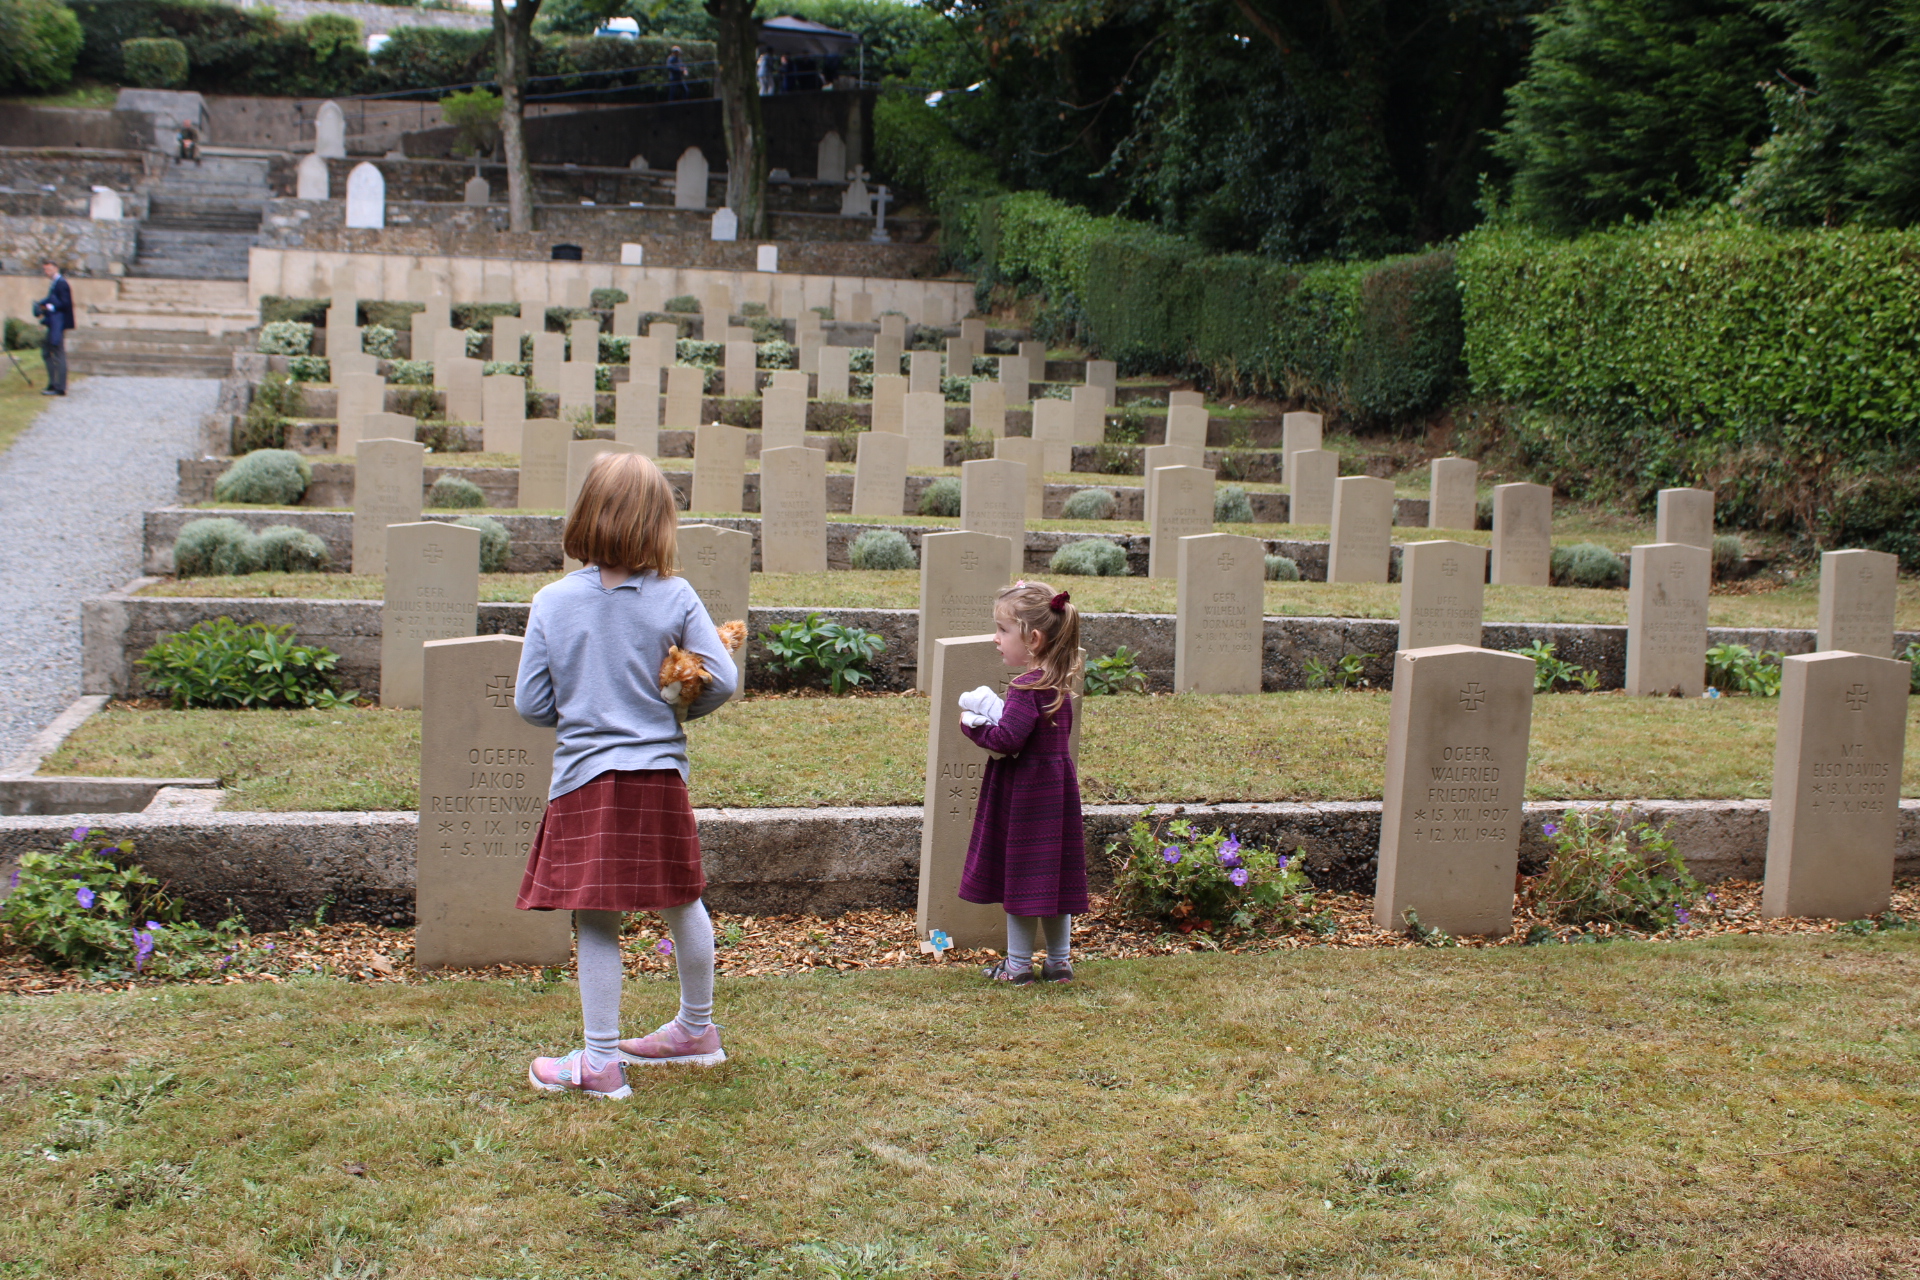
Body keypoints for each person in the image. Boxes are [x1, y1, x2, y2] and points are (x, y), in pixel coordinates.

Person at [515, 452, 739, 1100]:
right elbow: (723, 677)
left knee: (595, 919)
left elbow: (532, 704)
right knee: (682, 898)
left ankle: (600, 1062)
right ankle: (696, 1030)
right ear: (660, 523)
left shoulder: (553, 602)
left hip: (586, 776)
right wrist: (680, 705)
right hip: (659, 775)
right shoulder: (675, 595)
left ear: (586, 514)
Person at [956, 581, 1088, 984]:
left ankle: (1016, 966)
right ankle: (1059, 962)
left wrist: (973, 726)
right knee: (1053, 875)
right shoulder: (1058, 685)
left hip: (1026, 797)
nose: (996, 639)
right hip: (1056, 793)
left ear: (1032, 639)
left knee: (1022, 875)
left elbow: (1008, 740)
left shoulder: (1025, 687)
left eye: (1002, 630)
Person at [32, 260, 73, 397]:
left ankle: (60, 386)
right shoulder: (55, 283)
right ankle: (54, 383)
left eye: (49, 269)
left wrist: (49, 307)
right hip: (53, 322)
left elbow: (65, 303)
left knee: (58, 353)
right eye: (45, 270)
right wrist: (41, 305)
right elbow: (51, 299)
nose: (47, 272)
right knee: (47, 352)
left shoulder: (62, 283)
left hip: (58, 323)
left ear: (56, 268)